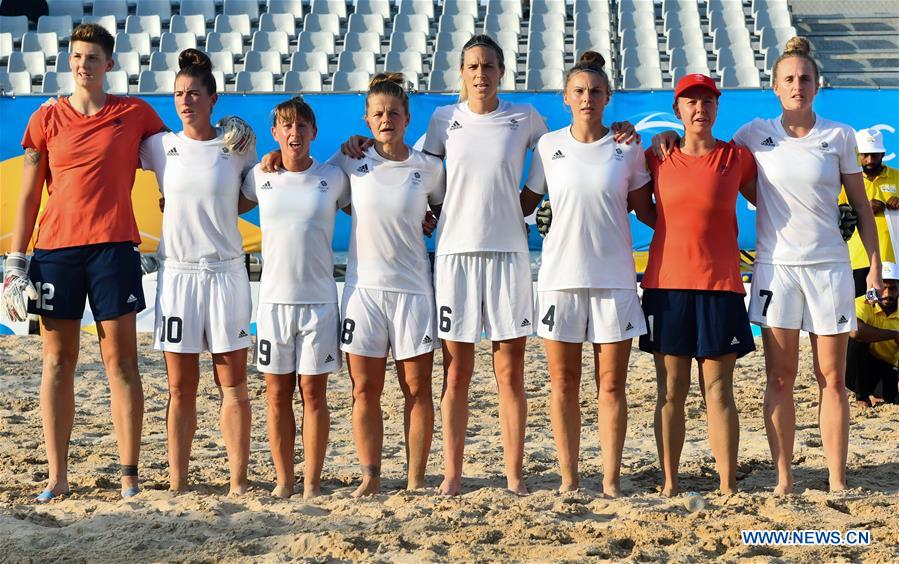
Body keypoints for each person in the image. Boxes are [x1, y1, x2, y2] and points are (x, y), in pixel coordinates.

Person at [653, 37, 882, 494]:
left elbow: (860, 206)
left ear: (818, 85)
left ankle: (837, 479)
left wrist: (876, 267)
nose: (799, 86)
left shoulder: (838, 135)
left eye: (806, 79)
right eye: (790, 80)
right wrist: (668, 136)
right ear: (775, 86)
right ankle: (784, 480)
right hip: (777, 268)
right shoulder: (753, 135)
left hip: (830, 268)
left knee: (832, 378)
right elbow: (705, 154)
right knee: (780, 376)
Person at [3, 23, 166, 502]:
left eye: (92, 57)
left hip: (114, 250)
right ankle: (57, 476)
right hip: (56, 253)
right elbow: (30, 190)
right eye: (76, 56)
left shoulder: (134, 113)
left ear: (110, 64)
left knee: (122, 364)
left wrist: (229, 143)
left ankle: (129, 475)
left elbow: (178, 157)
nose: (82, 64)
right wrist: (16, 260)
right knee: (57, 363)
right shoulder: (46, 118)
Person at [522, 52, 653, 497]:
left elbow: (650, 209)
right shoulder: (548, 146)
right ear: (565, 98)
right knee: (563, 385)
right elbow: (521, 203)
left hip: (615, 279)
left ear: (607, 97)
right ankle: (569, 478)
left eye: (595, 91)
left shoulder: (628, 146)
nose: (587, 98)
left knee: (612, 385)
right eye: (579, 91)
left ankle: (612, 480)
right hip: (560, 278)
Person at [139, 49, 257, 496]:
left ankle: (238, 481)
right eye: (178, 94)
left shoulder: (237, 147)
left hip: (226, 273)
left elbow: (247, 199)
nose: (185, 101)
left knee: (233, 384)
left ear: (213, 98)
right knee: (180, 387)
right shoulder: (160, 146)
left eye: (193, 93)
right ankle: (178, 480)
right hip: (178, 274)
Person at [328, 73, 446, 496]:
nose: (386, 119)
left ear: (408, 118)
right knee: (365, 389)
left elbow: (443, 211)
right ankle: (371, 476)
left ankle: (415, 480)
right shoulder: (349, 161)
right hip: (364, 293)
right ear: (366, 118)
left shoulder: (429, 168)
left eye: (393, 113)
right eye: (377, 113)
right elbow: (324, 194)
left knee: (417, 389)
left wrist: (428, 221)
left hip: (414, 292)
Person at [642, 74, 758, 496]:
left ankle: (727, 486)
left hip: (721, 286)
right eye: (690, 102)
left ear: (716, 108)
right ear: (678, 110)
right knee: (671, 391)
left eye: (707, 101)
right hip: (667, 287)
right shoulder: (656, 156)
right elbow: (640, 207)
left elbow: (774, 198)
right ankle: (670, 483)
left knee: (719, 391)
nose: (699, 109)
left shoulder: (737, 157)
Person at [241, 97, 350, 499]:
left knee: (314, 395)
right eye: (286, 126)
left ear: (314, 132)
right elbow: (224, 202)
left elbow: (372, 206)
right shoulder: (260, 176)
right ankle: (284, 481)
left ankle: (312, 483)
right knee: (276, 396)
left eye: (302, 126)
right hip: (272, 305)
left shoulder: (334, 177)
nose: (294, 133)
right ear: (275, 133)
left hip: (320, 303)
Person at [839, 128, 898, 296]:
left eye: (875, 155)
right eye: (865, 155)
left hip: (893, 259)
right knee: (859, 308)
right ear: (857, 154)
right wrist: (860, 209)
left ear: (883, 153)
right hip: (858, 259)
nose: (870, 160)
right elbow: (834, 214)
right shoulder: (844, 180)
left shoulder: (897, 176)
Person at [847, 262, 899, 406]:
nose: (887, 294)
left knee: (893, 399)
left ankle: (878, 394)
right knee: (856, 340)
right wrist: (893, 335)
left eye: (893, 288)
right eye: (882, 288)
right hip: (859, 368)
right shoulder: (863, 302)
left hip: (889, 367)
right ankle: (861, 396)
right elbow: (854, 330)